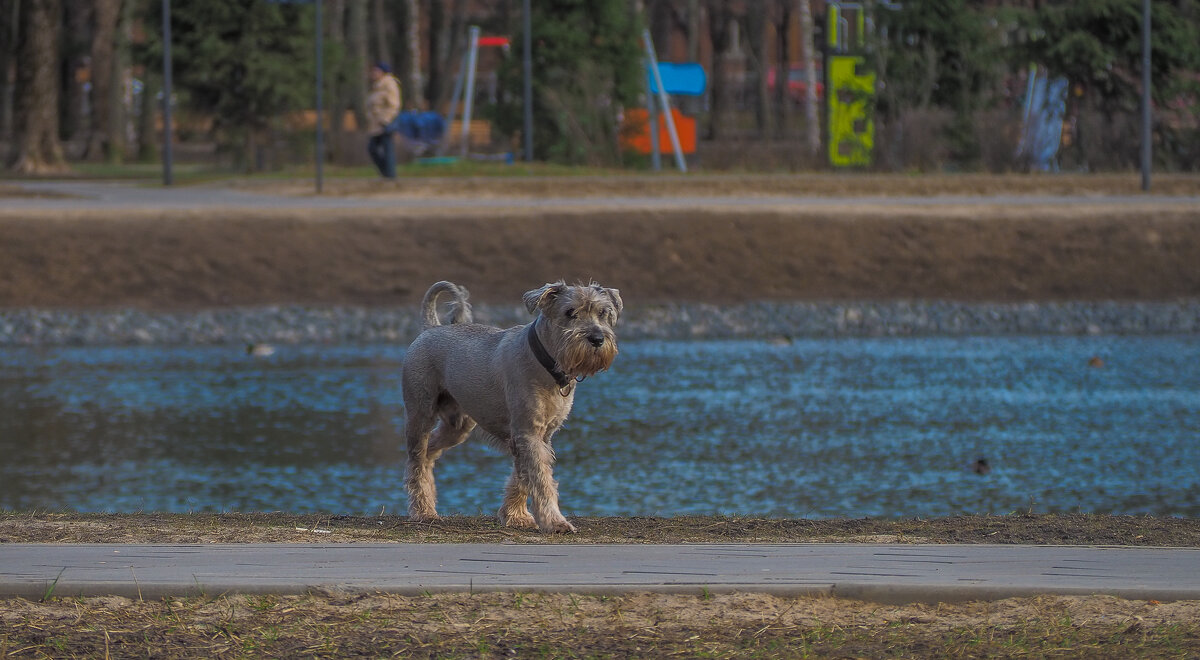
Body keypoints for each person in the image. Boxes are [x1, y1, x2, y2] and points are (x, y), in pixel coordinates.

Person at [366, 62, 402, 179]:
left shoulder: (389, 85)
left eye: (376, 71)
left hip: (384, 122)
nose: (373, 73)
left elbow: (394, 105)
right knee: (373, 148)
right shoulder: (377, 86)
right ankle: (386, 173)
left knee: (386, 148)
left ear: (383, 72)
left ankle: (390, 175)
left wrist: (386, 120)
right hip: (376, 123)